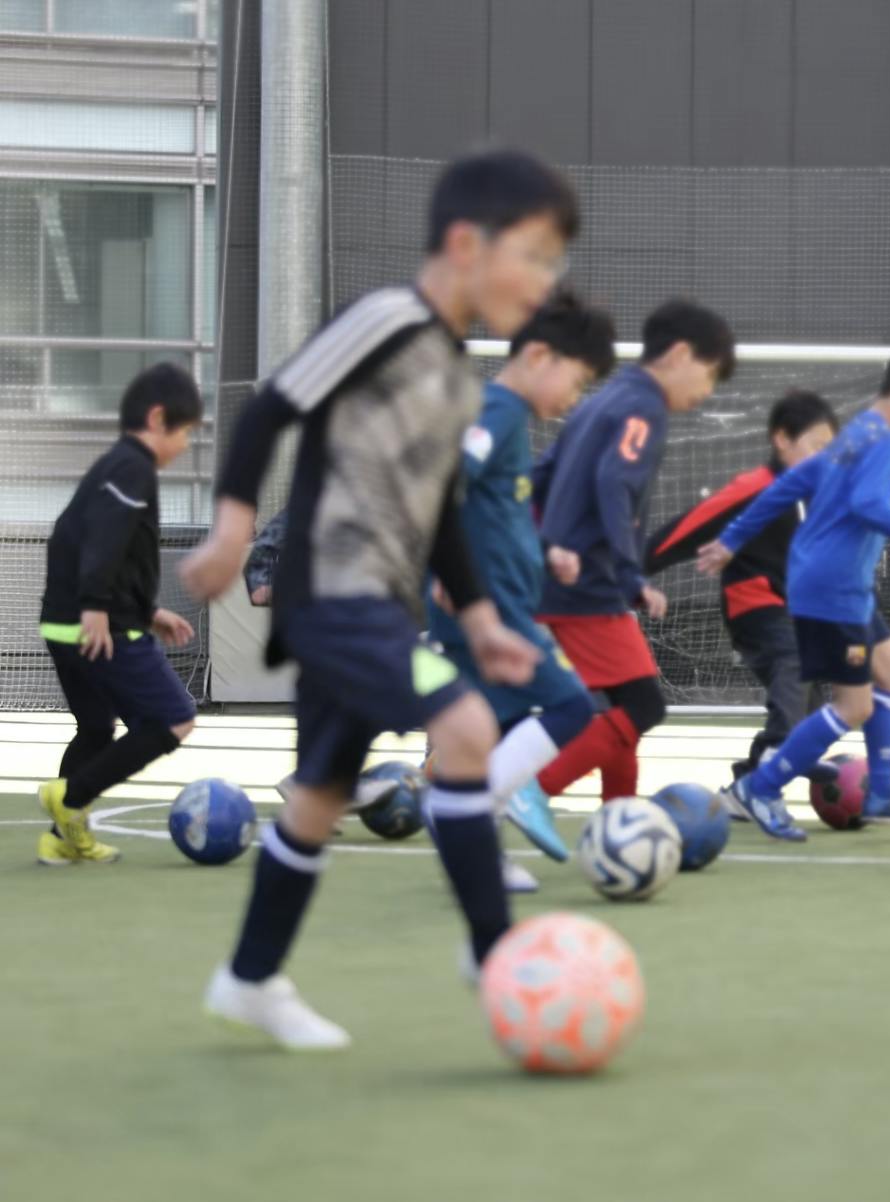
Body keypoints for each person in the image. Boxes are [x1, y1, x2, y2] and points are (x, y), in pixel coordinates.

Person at [179, 148, 578, 1049]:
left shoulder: (456, 375)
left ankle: (249, 980)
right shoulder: (388, 319)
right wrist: (233, 527)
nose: (545, 281)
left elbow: (440, 516)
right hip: (333, 596)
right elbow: (270, 408)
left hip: (383, 608)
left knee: (318, 800)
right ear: (467, 244)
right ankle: (496, 953)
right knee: (466, 727)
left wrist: (481, 619)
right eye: (536, 256)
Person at [697, 346, 890, 841]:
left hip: (840, 585)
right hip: (832, 589)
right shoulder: (884, 440)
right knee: (854, 706)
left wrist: (732, 538)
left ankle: (881, 791)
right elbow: (868, 505)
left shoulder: (857, 432)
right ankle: (759, 787)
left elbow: (789, 484)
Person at [423, 291, 619, 890]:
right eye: (577, 381)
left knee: (491, 729)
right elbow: (444, 482)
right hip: (492, 611)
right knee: (571, 705)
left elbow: (495, 515)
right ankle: (466, 812)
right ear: (538, 356)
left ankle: (474, 845)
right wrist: (448, 575)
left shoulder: (506, 417)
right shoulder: (499, 411)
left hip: (493, 604)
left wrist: (546, 552)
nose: (575, 398)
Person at [522, 299, 735, 809]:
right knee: (643, 705)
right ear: (679, 355)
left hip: (560, 577)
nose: (706, 392)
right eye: (709, 375)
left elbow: (538, 478)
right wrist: (629, 574)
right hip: (590, 585)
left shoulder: (599, 401)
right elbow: (614, 482)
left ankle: (618, 815)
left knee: (622, 707)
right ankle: (530, 789)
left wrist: (536, 549)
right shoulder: (644, 407)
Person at [37, 362, 203, 866]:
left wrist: (147, 611)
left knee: (96, 727)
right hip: (98, 626)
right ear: (157, 419)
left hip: (65, 623)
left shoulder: (113, 466)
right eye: (185, 432)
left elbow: (82, 537)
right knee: (173, 718)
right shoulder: (133, 467)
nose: (186, 445)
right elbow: (104, 539)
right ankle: (70, 798)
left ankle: (62, 839)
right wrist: (95, 608)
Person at [645, 389, 840, 783]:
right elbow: (689, 526)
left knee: (816, 714)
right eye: (816, 445)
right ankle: (774, 752)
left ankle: (748, 785)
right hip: (754, 606)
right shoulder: (755, 488)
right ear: (782, 439)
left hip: (794, 612)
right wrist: (634, 568)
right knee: (795, 660)